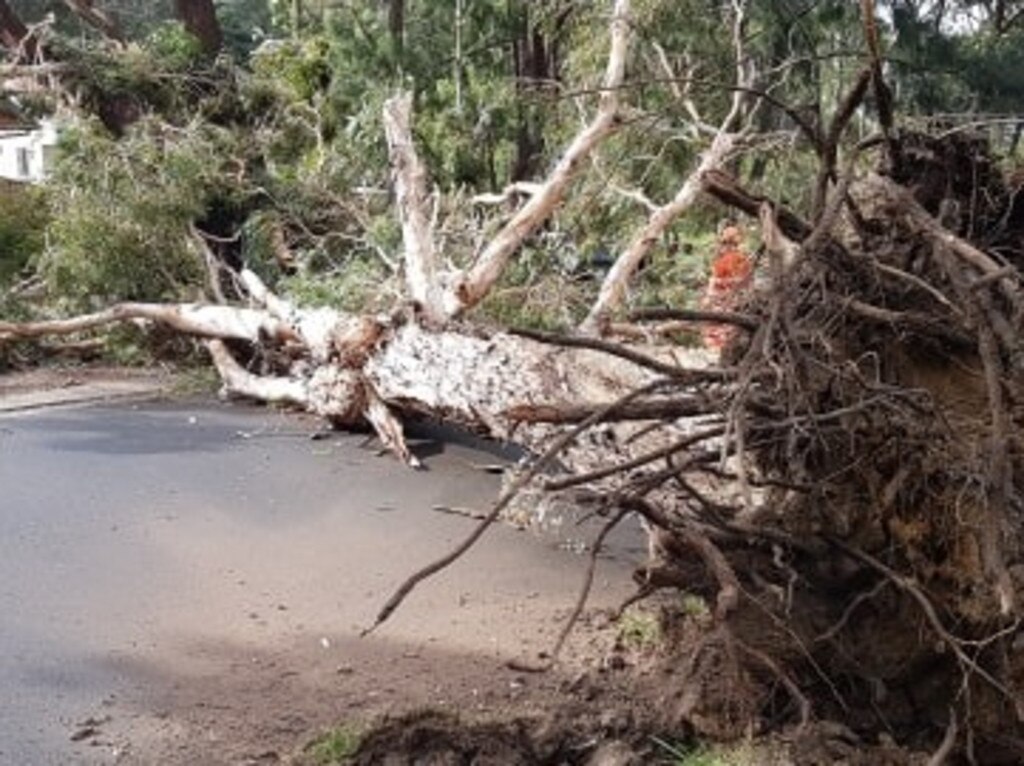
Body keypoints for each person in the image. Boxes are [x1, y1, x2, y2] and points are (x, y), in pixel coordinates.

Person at [701, 224, 753, 352]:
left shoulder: (733, 259)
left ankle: (718, 347)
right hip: (733, 296)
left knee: (719, 322)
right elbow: (748, 281)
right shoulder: (742, 258)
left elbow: (714, 279)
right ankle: (723, 347)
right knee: (726, 323)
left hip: (725, 296)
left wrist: (710, 294)